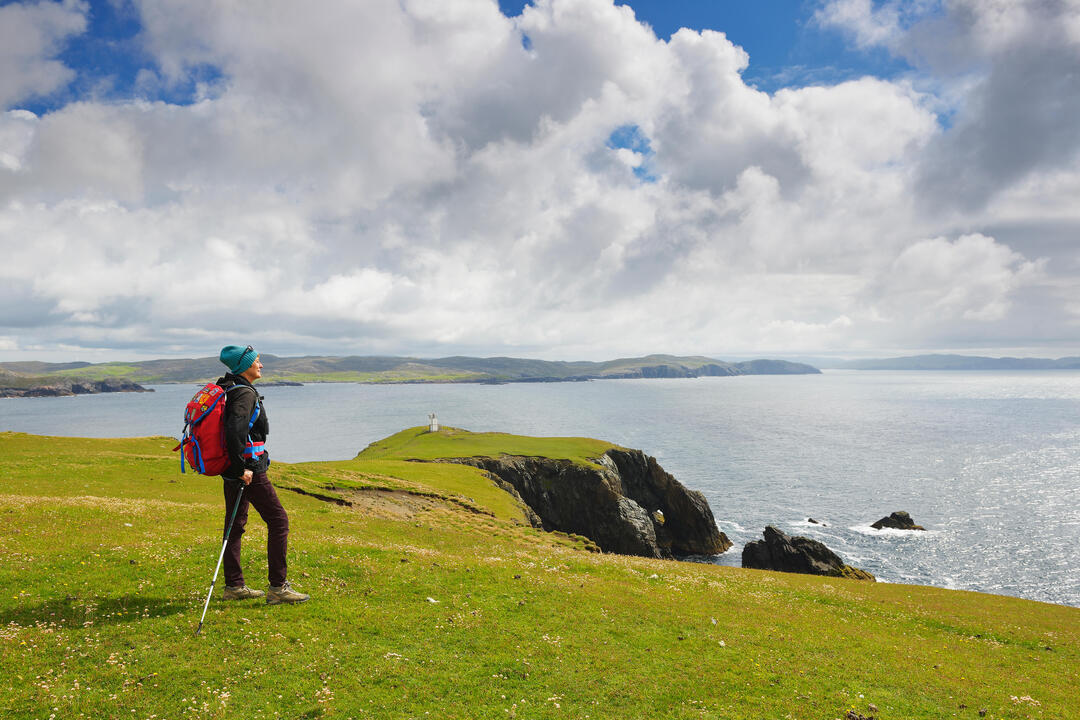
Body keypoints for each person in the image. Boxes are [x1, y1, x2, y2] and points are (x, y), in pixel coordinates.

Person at [216, 344, 309, 605]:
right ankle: (278, 588)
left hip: (231, 468)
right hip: (248, 469)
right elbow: (235, 430)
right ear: (245, 365)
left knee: (234, 525)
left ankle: (234, 586)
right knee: (279, 520)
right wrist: (242, 468)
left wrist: (233, 467)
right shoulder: (244, 393)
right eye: (257, 360)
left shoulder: (228, 387)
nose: (261, 365)